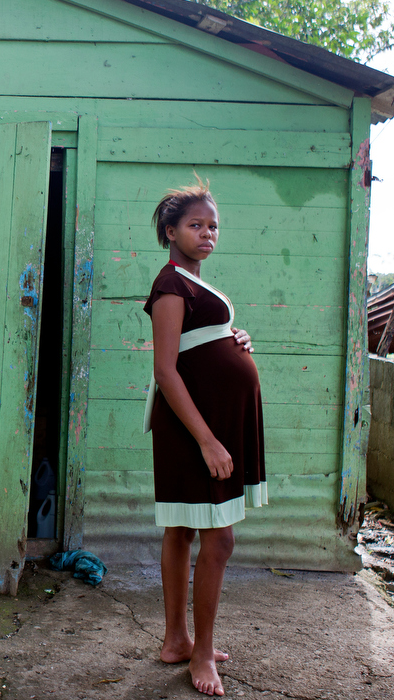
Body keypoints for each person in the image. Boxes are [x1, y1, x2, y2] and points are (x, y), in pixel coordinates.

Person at [143, 181, 267, 697]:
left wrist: (235, 338)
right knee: (218, 536)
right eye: (195, 225)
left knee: (183, 530)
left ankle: (177, 640)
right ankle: (199, 653)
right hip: (198, 428)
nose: (206, 233)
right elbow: (167, 371)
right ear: (171, 232)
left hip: (213, 421)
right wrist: (209, 442)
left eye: (212, 226)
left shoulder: (193, 284)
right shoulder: (171, 286)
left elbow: (200, 346)